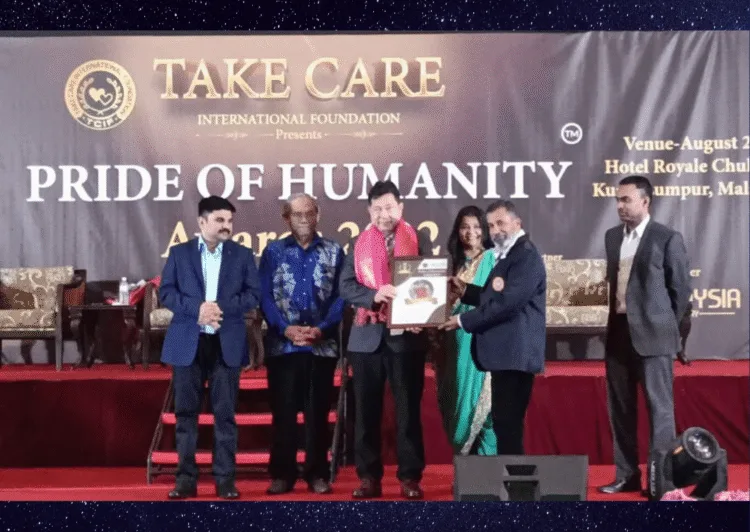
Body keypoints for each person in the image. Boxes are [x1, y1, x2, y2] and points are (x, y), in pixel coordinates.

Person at [159, 195, 261, 500]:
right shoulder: (180, 253)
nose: (226, 226)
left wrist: (220, 308)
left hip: (225, 343)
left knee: (225, 415)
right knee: (185, 415)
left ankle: (225, 480)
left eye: (229, 221)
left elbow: (253, 295)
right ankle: (185, 480)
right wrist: (197, 310)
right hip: (188, 342)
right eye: (219, 220)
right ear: (202, 222)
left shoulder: (242, 255)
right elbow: (166, 293)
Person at [339, 180, 431, 500]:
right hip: (366, 338)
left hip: (407, 338)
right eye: (377, 208)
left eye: (389, 207)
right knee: (366, 413)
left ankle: (410, 477)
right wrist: (374, 295)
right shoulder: (357, 243)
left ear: (400, 207)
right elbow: (346, 287)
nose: (384, 214)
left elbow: (431, 282)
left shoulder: (419, 238)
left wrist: (423, 314)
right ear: (369, 211)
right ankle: (368, 478)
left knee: (408, 411)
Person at [598, 175, 691, 495]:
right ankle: (627, 475)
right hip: (618, 335)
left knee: (660, 412)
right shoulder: (612, 237)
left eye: (626, 199)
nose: (619, 206)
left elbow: (681, 293)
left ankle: (660, 480)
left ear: (645, 201)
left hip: (655, 337)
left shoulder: (667, 238)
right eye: (617, 200)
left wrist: (666, 329)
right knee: (620, 410)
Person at [440, 200, 546, 456]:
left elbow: (507, 304)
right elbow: (494, 297)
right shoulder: (506, 254)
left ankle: (515, 480)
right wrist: (465, 291)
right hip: (505, 355)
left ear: (517, 223)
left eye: (501, 223)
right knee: (504, 424)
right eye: (491, 225)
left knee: (508, 426)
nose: (495, 230)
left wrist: (463, 321)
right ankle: (509, 477)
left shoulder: (525, 256)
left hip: (515, 354)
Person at [259, 193, 345, 496]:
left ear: (318, 215)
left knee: (317, 414)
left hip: (321, 346)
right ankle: (282, 474)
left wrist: (322, 329)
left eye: (310, 213)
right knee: (283, 414)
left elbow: (341, 296)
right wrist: (284, 329)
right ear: (287, 218)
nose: (305, 219)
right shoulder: (273, 252)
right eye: (298, 214)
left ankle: (317, 473)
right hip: (283, 347)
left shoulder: (334, 251)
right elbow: (264, 296)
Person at [434, 206, 497, 456]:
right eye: (464, 227)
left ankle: (487, 469)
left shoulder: (492, 259)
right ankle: (467, 469)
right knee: (455, 401)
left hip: (478, 341)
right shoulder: (454, 265)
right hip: (453, 344)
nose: (471, 232)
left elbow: (494, 301)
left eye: (476, 227)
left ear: (485, 230)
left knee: (483, 411)